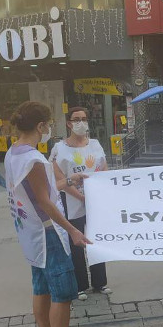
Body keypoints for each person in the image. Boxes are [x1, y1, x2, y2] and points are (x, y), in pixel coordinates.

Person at [5, 101, 94, 327]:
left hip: (31, 233)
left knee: (41, 288)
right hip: (48, 233)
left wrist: (67, 181)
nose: (49, 130)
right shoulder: (33, 159)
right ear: (41, 126)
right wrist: (72, 230)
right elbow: (45, 201)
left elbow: (39, 191)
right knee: (62, 294)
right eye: (49, 124)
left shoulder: (13, 152)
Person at [50, 107, 111, 300]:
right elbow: (59, 178)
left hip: (95, 202)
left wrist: (99, 193)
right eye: (76, 119)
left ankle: (100, 282)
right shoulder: (59, 149)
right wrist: (82, 197)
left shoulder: (95, 144)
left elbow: (104, 169)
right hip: (72, 202)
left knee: (96, 239)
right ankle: (80, 285)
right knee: (76, 242)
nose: (81, 123)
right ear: (69, 123)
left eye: (84, 119)